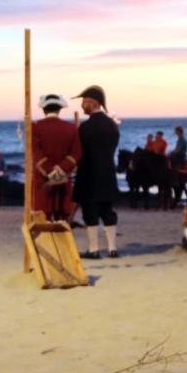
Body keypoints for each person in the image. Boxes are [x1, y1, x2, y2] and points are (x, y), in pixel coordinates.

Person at [72, 85, 120, 259]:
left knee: (90, 213)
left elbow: (78, 152)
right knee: (108, 211)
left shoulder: (85, 128)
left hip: (89, 174)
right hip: (108, 172)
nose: (82, 106)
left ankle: (94, 250)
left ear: (92, 103)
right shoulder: (112, 126)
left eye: (84, 102)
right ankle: (112, 248)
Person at [31, 94, 82, 222]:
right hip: (63, 177)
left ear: (43, 109)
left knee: (42, 216)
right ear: (59, 109)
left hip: (43, 178)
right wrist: (61, 168)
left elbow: (36, 152)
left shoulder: (35, 127)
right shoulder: (71, 128)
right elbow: (77, 152)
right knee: (61, 216)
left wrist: (49, 170)